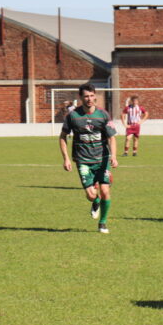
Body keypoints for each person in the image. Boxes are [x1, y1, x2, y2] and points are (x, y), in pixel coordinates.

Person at [59, 84, 118, 234]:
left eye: (92, 96)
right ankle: (96, 202)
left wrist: (114, 156)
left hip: (102, 159)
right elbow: (63, 137)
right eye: (86, 96)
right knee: (91, 195)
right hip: (83, 161)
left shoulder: (103, 115)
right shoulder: (73, 116)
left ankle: (102, 223)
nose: (89, 99)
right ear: (81, 98)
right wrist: (66, 158)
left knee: (105, 191)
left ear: (95, 96)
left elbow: (112, 138)